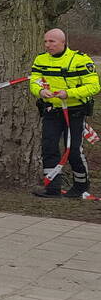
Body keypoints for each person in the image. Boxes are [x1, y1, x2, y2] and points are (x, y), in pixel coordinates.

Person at [29, 28, 100, 199]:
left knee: (74, 150)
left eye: (52, 41)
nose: (48, 45)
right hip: (51, 111)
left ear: (63, 42)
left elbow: (94, 86)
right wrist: (39, 91)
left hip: (75, 112)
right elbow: (34, 81)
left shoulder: (80, 60)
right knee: (49, 147)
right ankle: (52, 187)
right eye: (45, 41)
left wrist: (69, 93)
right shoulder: (40, 59)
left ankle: (81, 186)